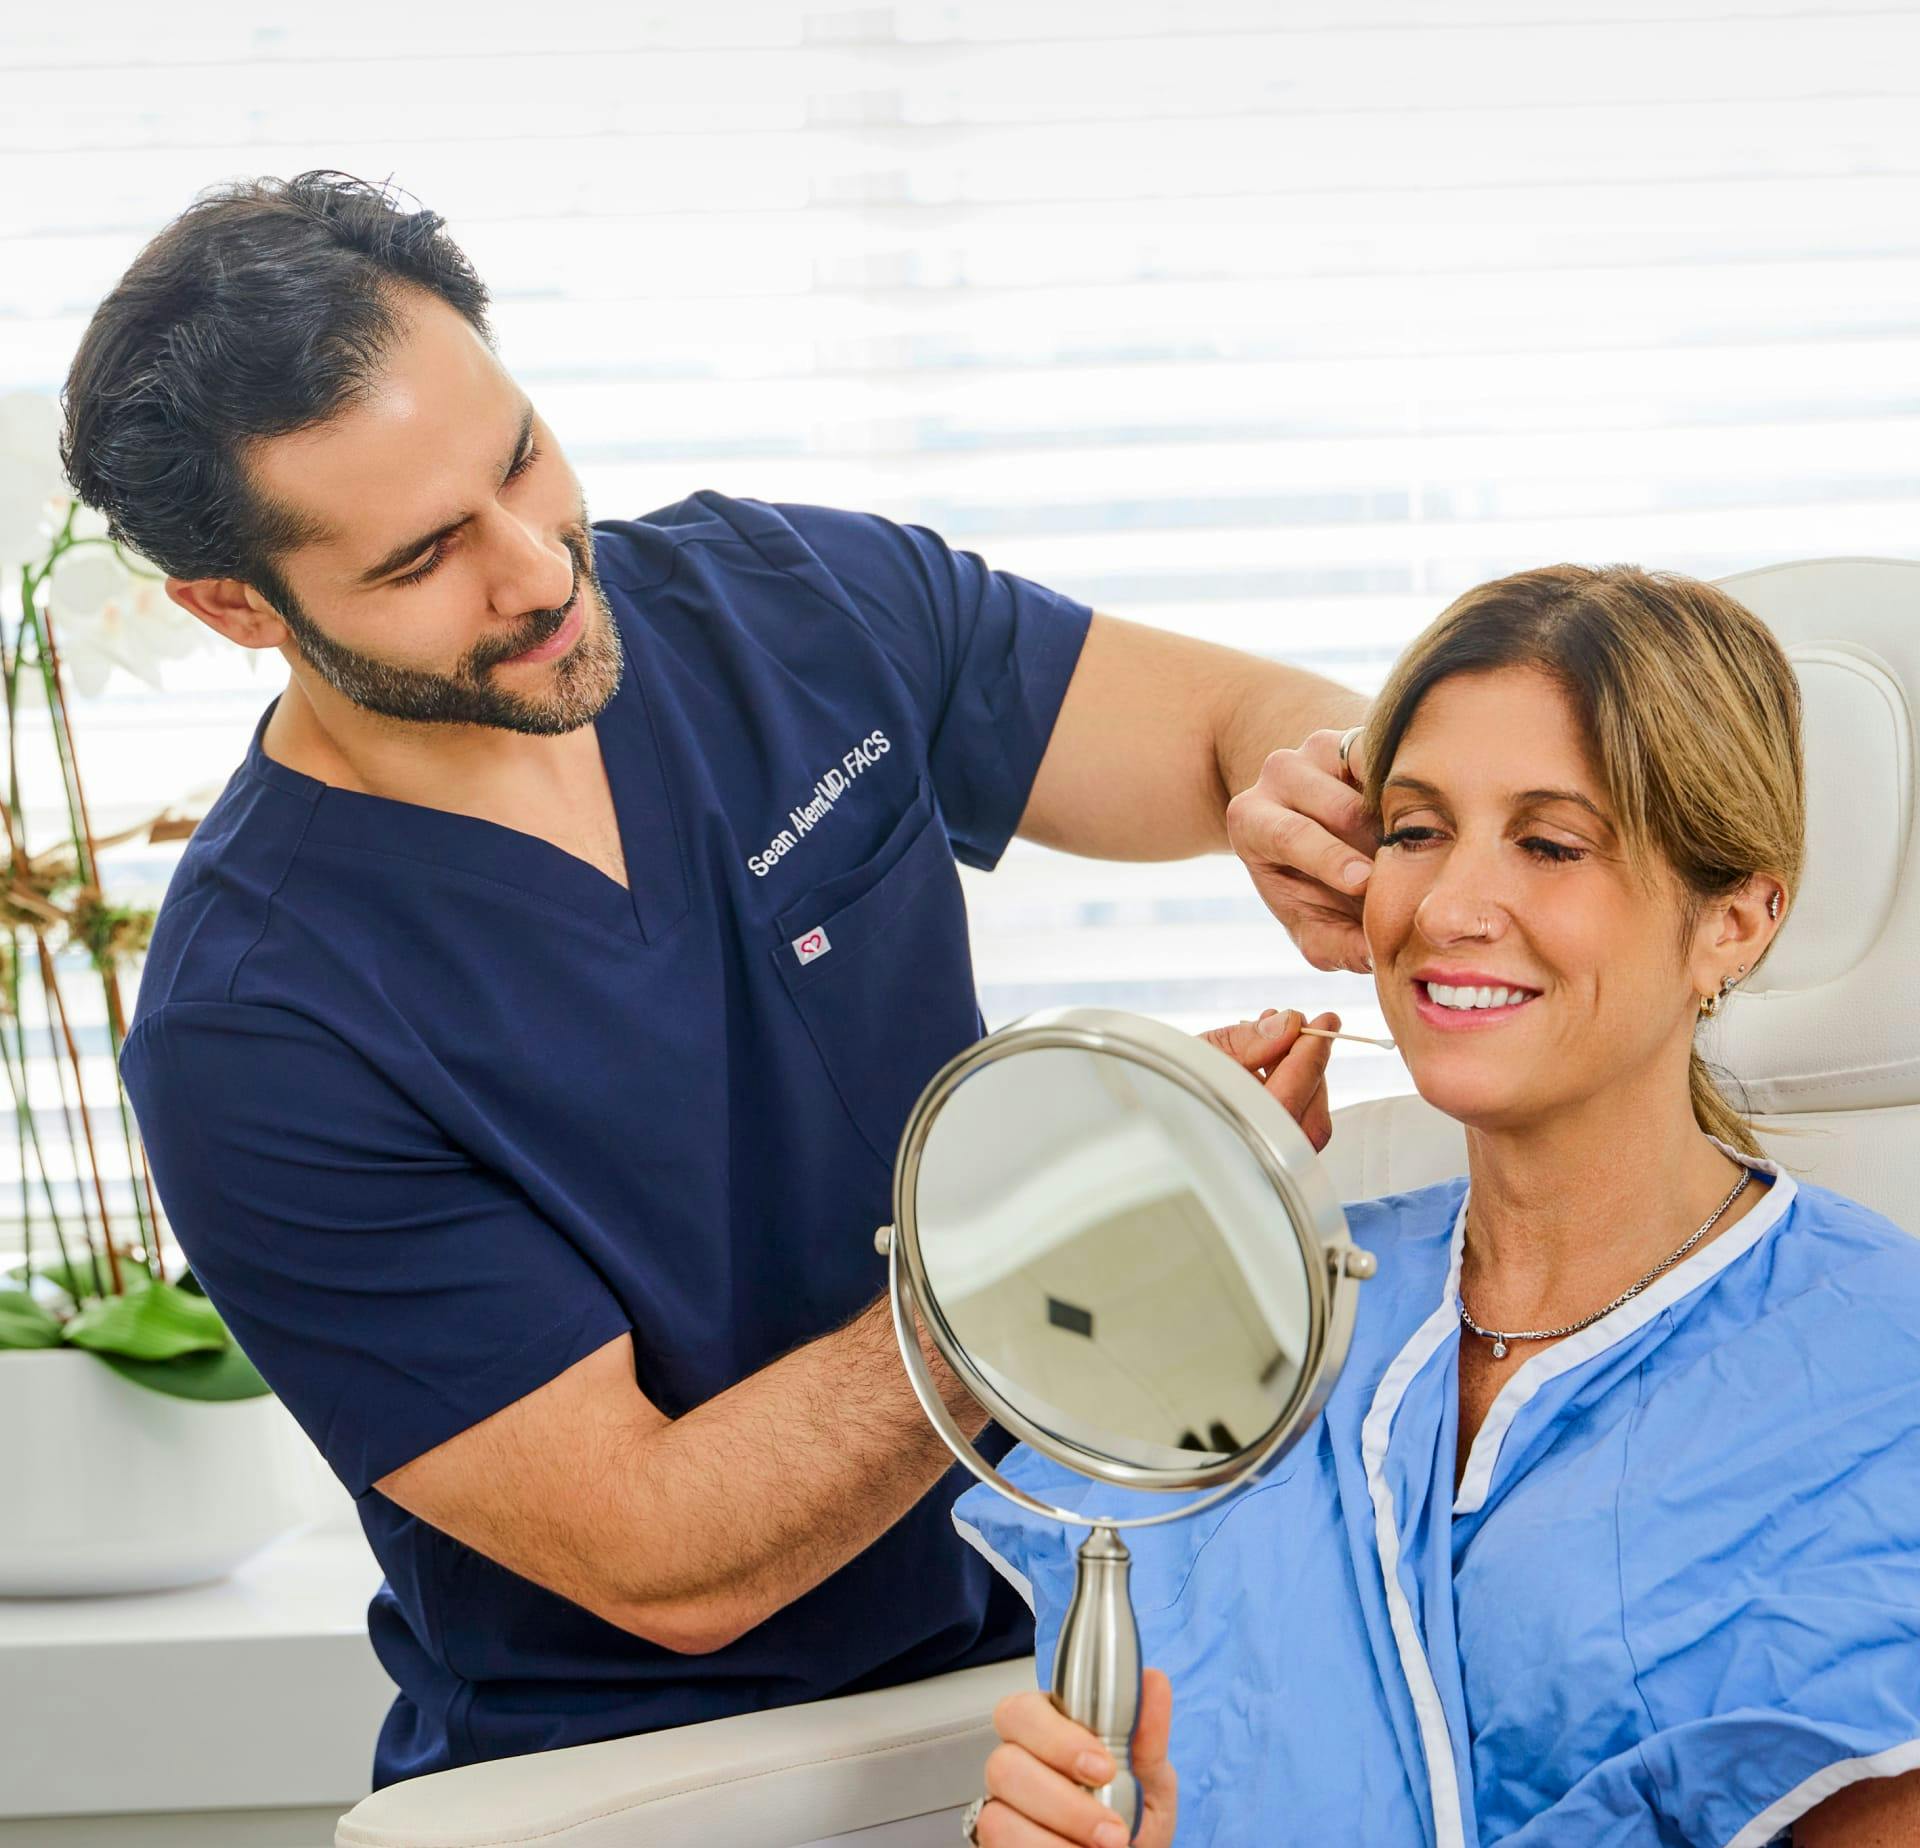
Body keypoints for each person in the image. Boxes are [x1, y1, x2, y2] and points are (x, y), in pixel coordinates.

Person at [60, 170, 1363, 1787]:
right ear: (232, 603)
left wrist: (1321, 794)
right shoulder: (257, 1024)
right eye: (422, 557)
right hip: (663, 1772)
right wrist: (1063, 1252)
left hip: (1034, 1684)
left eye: (524, 457)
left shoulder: (787, 607)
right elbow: (670, 1553)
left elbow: (1231, 727)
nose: (537, 568)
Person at [960, 565, 1920, 1845]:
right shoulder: (1260, 1314)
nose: (1453, 906)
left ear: (1735, 921)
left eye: (1550, 842)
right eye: (1414, 831)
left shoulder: (1877, 1372)